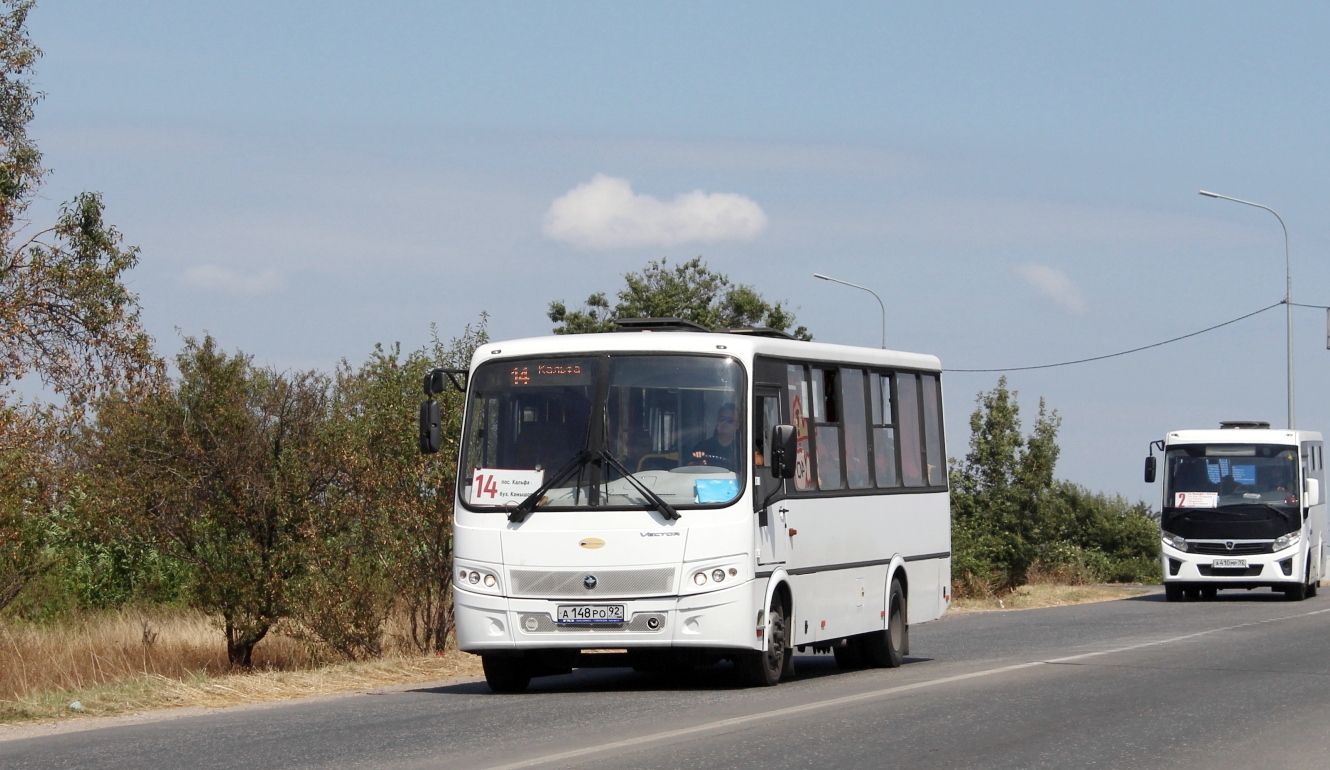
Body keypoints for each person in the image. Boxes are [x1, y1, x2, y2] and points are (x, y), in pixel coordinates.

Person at [689, 402, 739, 471]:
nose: (724, 423)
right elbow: (688, 470)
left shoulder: (744, 449)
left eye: (729, 420)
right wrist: (697, 464)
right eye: (721, 419)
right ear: (717, 421)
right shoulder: (701, 447)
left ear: (737, 425)